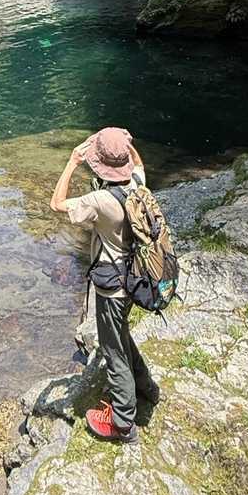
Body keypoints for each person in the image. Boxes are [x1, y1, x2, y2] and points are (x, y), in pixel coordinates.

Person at [49, 126, 160, 443]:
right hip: (136, 279)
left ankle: (123, 424)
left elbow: (57, 203)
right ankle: (147, 388)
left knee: (113, 352)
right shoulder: (137, 184)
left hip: (112, 288)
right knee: (121, 334)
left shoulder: (100, 200)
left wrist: (72, 162)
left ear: (101, 165)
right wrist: (127, 144)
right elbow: (138, 164)